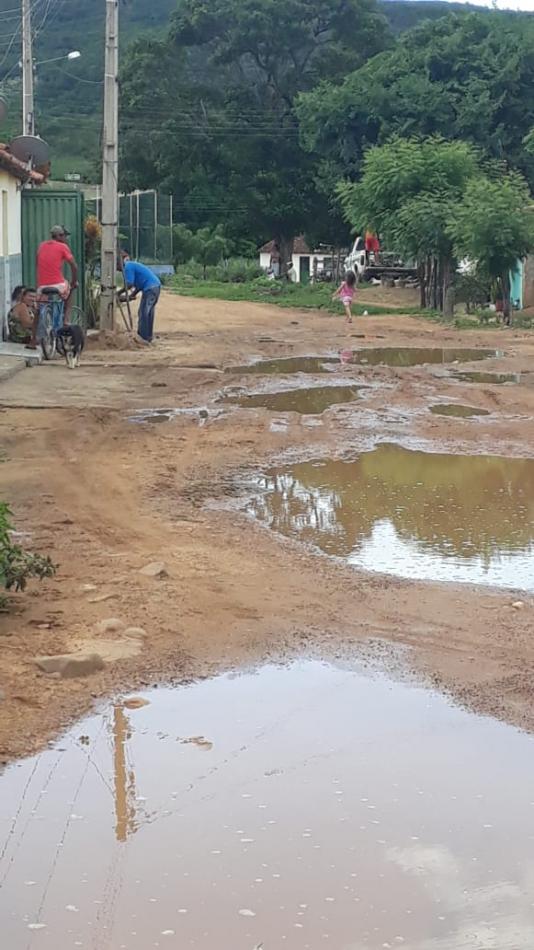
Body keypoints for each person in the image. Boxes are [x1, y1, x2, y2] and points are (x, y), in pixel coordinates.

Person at [36, 225, 78, 324]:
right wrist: (74, 281)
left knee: (38, 309)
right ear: (59, 236)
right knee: (70, 290)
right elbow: (74, 266)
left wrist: (38, 284)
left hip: (42, 286)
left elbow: (37, 264)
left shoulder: (41, 246)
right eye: (64, 236)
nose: (65, 239)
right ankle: (66, 320)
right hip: (58, 284)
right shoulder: (63, 247)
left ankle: (34, 337)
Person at [120, 252, 161, 343]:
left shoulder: (128, 266)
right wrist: (132, 295)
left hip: (150, 288)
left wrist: (118, 293)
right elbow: (138, 285)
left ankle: (143, 337)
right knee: (148, 312)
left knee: (143, 312)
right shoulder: (133, 265)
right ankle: (148, 336)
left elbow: (129, 284)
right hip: (155, 286)